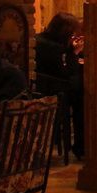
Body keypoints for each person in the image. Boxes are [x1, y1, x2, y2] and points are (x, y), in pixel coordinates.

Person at [34, 12, 85, 159]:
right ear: (65, 31)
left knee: (81, 93)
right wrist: (75, 52)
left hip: (46, 86)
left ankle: (79, 146)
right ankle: (81, 146)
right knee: (83, 99)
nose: (73, 36)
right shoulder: (52, 47)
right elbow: (66, 72)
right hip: (54, 91)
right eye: (72, 33)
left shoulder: (40, 39)